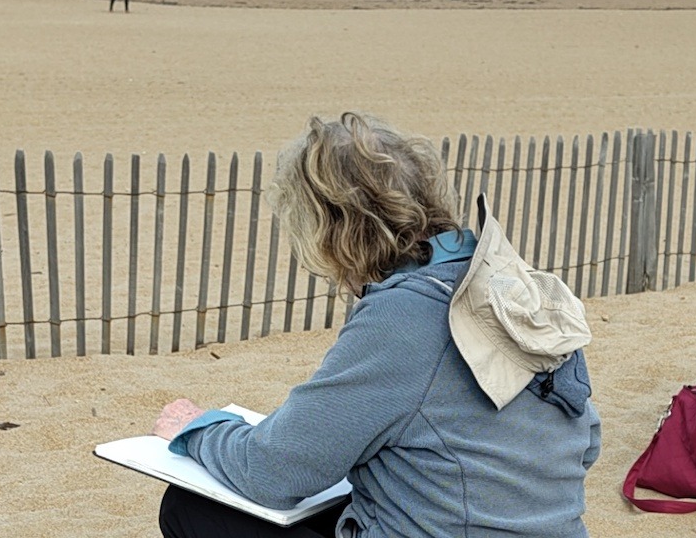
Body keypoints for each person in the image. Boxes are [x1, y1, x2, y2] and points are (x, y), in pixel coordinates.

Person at [152, 111, 601, 538]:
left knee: (191, 510)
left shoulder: (404, 315)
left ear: (331, 228)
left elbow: (274, 471)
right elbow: (588, 442)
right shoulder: (515, 288)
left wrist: (199, 430)